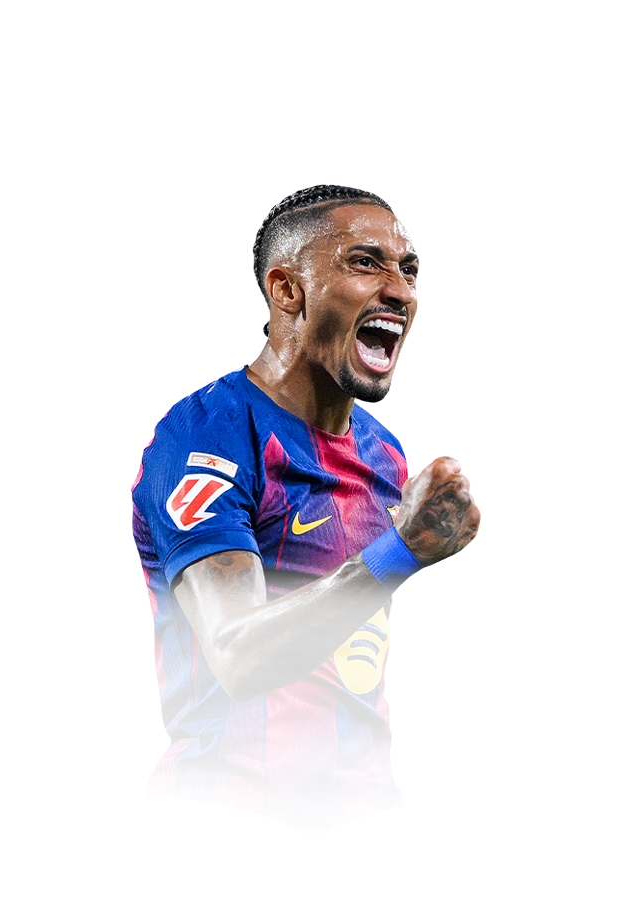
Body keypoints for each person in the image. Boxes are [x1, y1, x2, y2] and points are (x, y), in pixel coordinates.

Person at [132, 185, 481, 834]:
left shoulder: (387, 459)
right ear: (287, 290)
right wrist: (400, 551)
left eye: (408, 270)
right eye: (365, 262)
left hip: (363, 811)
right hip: (230, 807)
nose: (401, 292)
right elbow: (236, 657)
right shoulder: (208, 436)